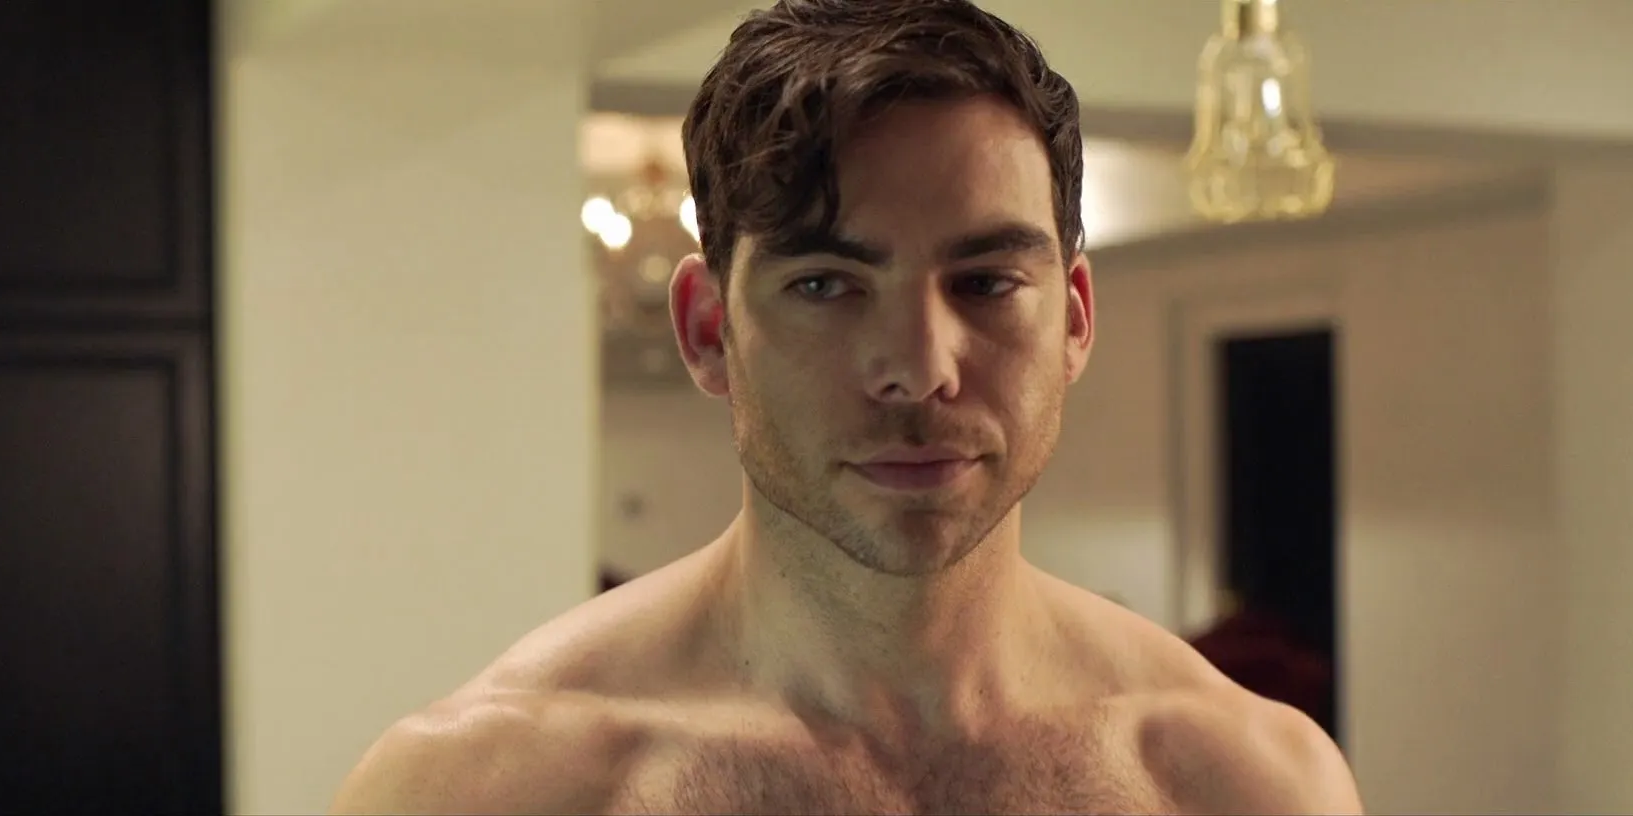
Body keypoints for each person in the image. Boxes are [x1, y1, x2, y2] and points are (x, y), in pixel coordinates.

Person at [332, 1, 1363, 813]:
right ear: (707, 331)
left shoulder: (1242, 782)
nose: (919, 369)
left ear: (1076, 319)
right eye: (826, 285)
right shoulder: (486, 788)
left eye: (986, 283)